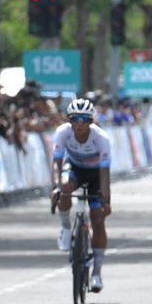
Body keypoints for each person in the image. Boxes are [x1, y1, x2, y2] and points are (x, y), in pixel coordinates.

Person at [50, 98, 112, 292]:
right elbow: (56, 164)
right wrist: (56, 187)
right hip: (74, 169)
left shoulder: (101, 139)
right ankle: (66, 228)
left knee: (98, 219)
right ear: (69, 120)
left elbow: (104, 174)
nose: (79, 123)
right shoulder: (63, 133)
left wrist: (106, 201)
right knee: (65, 188)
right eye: (74, 119)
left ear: (91, 121)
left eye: (83, 119)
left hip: (95, 175)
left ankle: (96, 273)